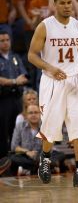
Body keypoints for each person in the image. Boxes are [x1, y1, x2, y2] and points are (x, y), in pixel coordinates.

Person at [28, 0, 78, 187]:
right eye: (63, 3)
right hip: (52, 81)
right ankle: (45, 158)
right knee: (50, 127)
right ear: (55, 5)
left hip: (74, 80)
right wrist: (49, 67)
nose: (67, 6)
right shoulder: (45, 26)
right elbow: (31, 55)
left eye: (69, 3)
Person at [0, 30, 28, 158]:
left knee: (16, 129)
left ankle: (16, 160)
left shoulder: (15, 57)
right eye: (2, 41)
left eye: (7, 40)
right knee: (3, 131)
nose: (5, 43)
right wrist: (14, 81)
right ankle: (3, 160)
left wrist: (15, 82)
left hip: (17, 98)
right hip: (3, 99)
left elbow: (24, 76)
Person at [11, 104, 42, 175]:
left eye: (36, 112)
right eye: (31, 113)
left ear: (40, 114)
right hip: (25, 157)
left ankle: (28, 170)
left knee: (58, 155)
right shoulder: (20, 126)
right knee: (12, 158)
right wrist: (27, 152)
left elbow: (49, 147)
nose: (33, 115)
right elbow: (14, 146)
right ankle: (36, 169)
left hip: (40, 157)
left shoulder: (45, 127)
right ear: (26, 115)